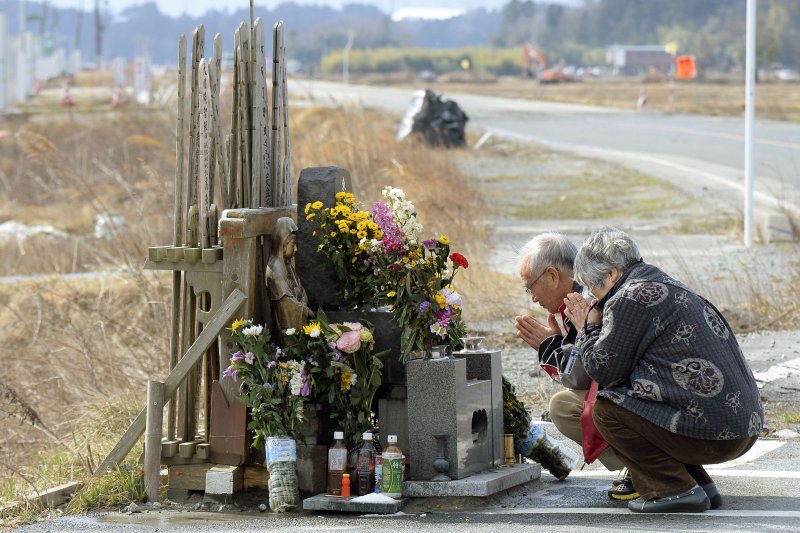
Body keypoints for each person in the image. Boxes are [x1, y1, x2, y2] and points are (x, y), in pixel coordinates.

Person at [564, 227, 763, 513]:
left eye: (592, 287)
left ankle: (673, 490)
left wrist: (588, 325)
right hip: (742, 426)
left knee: (608, 409)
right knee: (649, 402)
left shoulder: (629, 298)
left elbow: (603, 371)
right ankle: (699, 485)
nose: (592, 297)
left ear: (611, 274)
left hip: (717, 435)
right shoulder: (661, 282)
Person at [515, 232, 636, 499]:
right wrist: (555, 344)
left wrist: (549, 347)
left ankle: (642, 466)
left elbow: (586, 372)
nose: (532, 298)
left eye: (530, 286)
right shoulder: (577, 298)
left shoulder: (585, 300)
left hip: (639, 394)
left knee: (563, 407)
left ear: (552, 275)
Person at [266, 217, 313, 344]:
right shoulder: (275, 267)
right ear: (283, 244)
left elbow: (300, 289)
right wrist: (303, 310)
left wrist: (303, 300)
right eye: (293, 245)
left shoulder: (287, 265)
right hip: (286, 322)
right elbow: (285, 300)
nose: (296, 249)